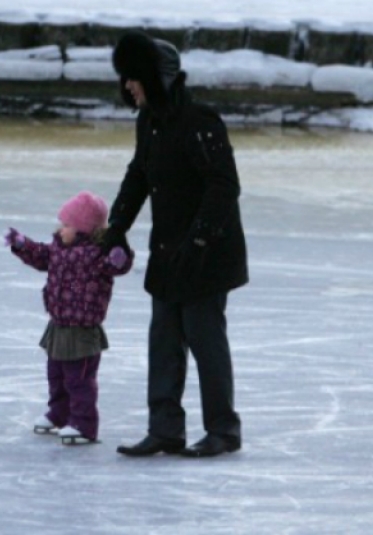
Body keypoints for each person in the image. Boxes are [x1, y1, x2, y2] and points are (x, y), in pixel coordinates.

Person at [103, 31, 249, 458]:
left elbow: (224, 188)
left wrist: (199, 240)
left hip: (207, 254)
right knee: (163, 342)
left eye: (134, 77)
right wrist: (117, 226)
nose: (128, 86)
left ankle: (224, 430)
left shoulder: (202, 122)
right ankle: (164, 429)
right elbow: (138, 176)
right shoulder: (148, 121)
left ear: (157, 77)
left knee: (205, 341)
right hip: (168, 252)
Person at [5, 191, 134, 446]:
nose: (60, 229)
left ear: (84, 229)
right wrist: (21, 244)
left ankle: (83, 424)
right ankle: (59, 414)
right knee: (56, 375)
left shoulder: (97, 253)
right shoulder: (58, 249)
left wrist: (120, 258)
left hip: (82, 329)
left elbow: (116, 265)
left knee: (79, 380)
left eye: (66, 225)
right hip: (59, 324)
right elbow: (40, 255)